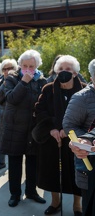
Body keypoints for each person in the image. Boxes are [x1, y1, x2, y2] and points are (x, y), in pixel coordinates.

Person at [34, 55, 86, 215]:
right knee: (52, 173)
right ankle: (55, 202)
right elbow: (39, 110)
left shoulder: (84, 90)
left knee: (77, 172)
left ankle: (77, 205)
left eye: (68, 69)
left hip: (75, 140)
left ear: (75, 73)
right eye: (61, 69)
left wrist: (69, 130)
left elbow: (88, 114)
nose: (64, 72)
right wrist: (52, 128)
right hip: (52, 140)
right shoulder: (48, 89)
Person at [0, 49, 47, 207]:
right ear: (19, 65)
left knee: (33, 162)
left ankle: (31, 191)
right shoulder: (12, 79)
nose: (28, 68)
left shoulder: (42, 80)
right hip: (15, 127)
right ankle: (15, 194)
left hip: (33, 128)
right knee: (15, 163)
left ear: (37, 66)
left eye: (31, 66)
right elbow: (11, 99)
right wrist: (24, 82)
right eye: (25, 65)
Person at [64, 59, 95, 215]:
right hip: (89, 161)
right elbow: (69, 126)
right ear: (92, 78)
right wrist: (84, 141)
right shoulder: (81, 97)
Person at [0, 58, 18, 171]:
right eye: (4, 69)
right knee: (0, 141)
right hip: (1, 118)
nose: (7, 71)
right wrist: (5, 83)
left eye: (10, 68)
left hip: (17, 118)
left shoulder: (20, 81)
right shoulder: (0, 82)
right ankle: (1, 162)